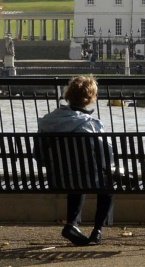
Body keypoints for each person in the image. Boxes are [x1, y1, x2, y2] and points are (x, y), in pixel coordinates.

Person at [38, 75, 113, 246]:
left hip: (57, 179)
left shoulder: (48, 121)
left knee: (75, 179)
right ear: (91, 98)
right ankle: (97, 230)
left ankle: (72, 223)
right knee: (106, 185)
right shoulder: (91, 124)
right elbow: (106, 157)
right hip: (85, 178)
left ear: (68, 95)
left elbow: (40, 155)